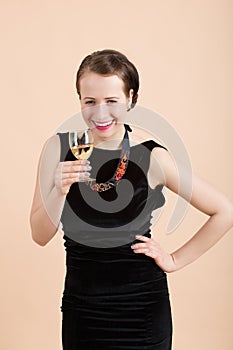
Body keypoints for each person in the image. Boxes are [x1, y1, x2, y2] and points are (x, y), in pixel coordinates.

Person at [30, 49, 233, 350]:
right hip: (82, 310)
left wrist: (174, 260)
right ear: (80, 101)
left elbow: (223, 211)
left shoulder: (151, 157)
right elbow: (39, 235)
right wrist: (59, 189)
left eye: (112, 101)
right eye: (90, 102)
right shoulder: (57, 149)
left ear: (130, 99)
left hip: (144, 310)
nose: (100, 113)